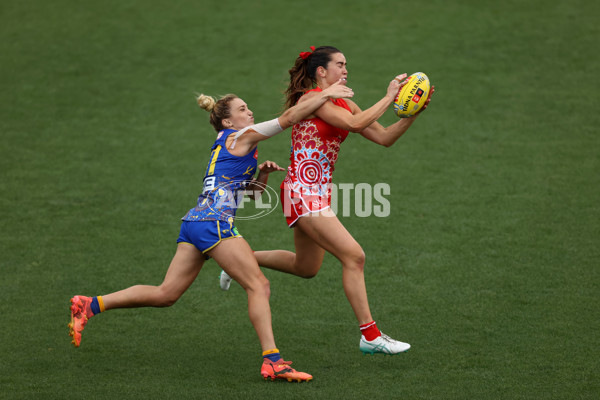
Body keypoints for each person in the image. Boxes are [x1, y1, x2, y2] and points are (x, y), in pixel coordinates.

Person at [68, 80, 354, 382]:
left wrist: (263, 175)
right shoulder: (240, 135)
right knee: (259, 285)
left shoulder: (230, 144)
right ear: (228, 120)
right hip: (214, 224)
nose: (250, 111)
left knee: (166, 294)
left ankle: (90, 304)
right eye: (243, 109)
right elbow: (289, 119)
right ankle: (273, 360)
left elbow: (252, 195)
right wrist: (325, 94)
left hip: (195, 222)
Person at [220, 45, 434, 355]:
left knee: (305, 267)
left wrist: (412, 113)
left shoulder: (345, 103)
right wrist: (389, 97)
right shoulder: (312, 100)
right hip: (301, 192)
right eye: (340, 64)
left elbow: (384, 137)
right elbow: (354, 126)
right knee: (354, 256)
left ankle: (237, 260)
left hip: (316, 193)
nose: (346, 70)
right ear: (321, 71)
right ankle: (370, 335)